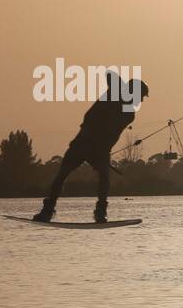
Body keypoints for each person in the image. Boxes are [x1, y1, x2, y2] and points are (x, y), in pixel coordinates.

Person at [34, 74, 149, 223]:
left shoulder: (129, 113)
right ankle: (47, 211)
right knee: (62, 174)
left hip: (99, 148)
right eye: (140, 96)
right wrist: (122, 90)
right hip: (82, 142)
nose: (140, 101)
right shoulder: (114, 94)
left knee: (104, 177)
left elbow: (113, 134)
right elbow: (110, 74)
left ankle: (101, 212)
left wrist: (104, 151)